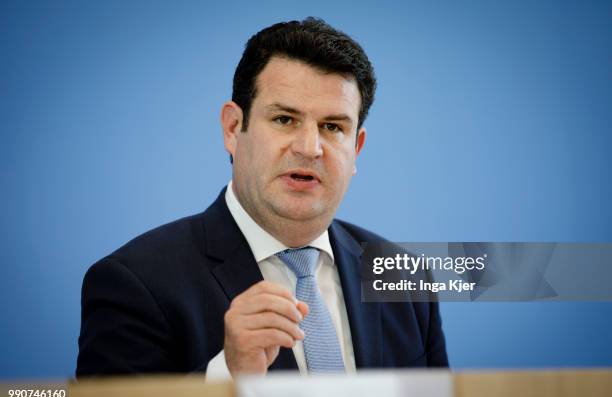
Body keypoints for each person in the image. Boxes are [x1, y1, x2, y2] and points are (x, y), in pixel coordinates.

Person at [76, 17, 448, 378]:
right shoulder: (135, 283)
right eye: (285, 119)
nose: (309, 148)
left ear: (357, 149)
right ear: (233, 128)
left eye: (332, 127)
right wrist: (228, 376)